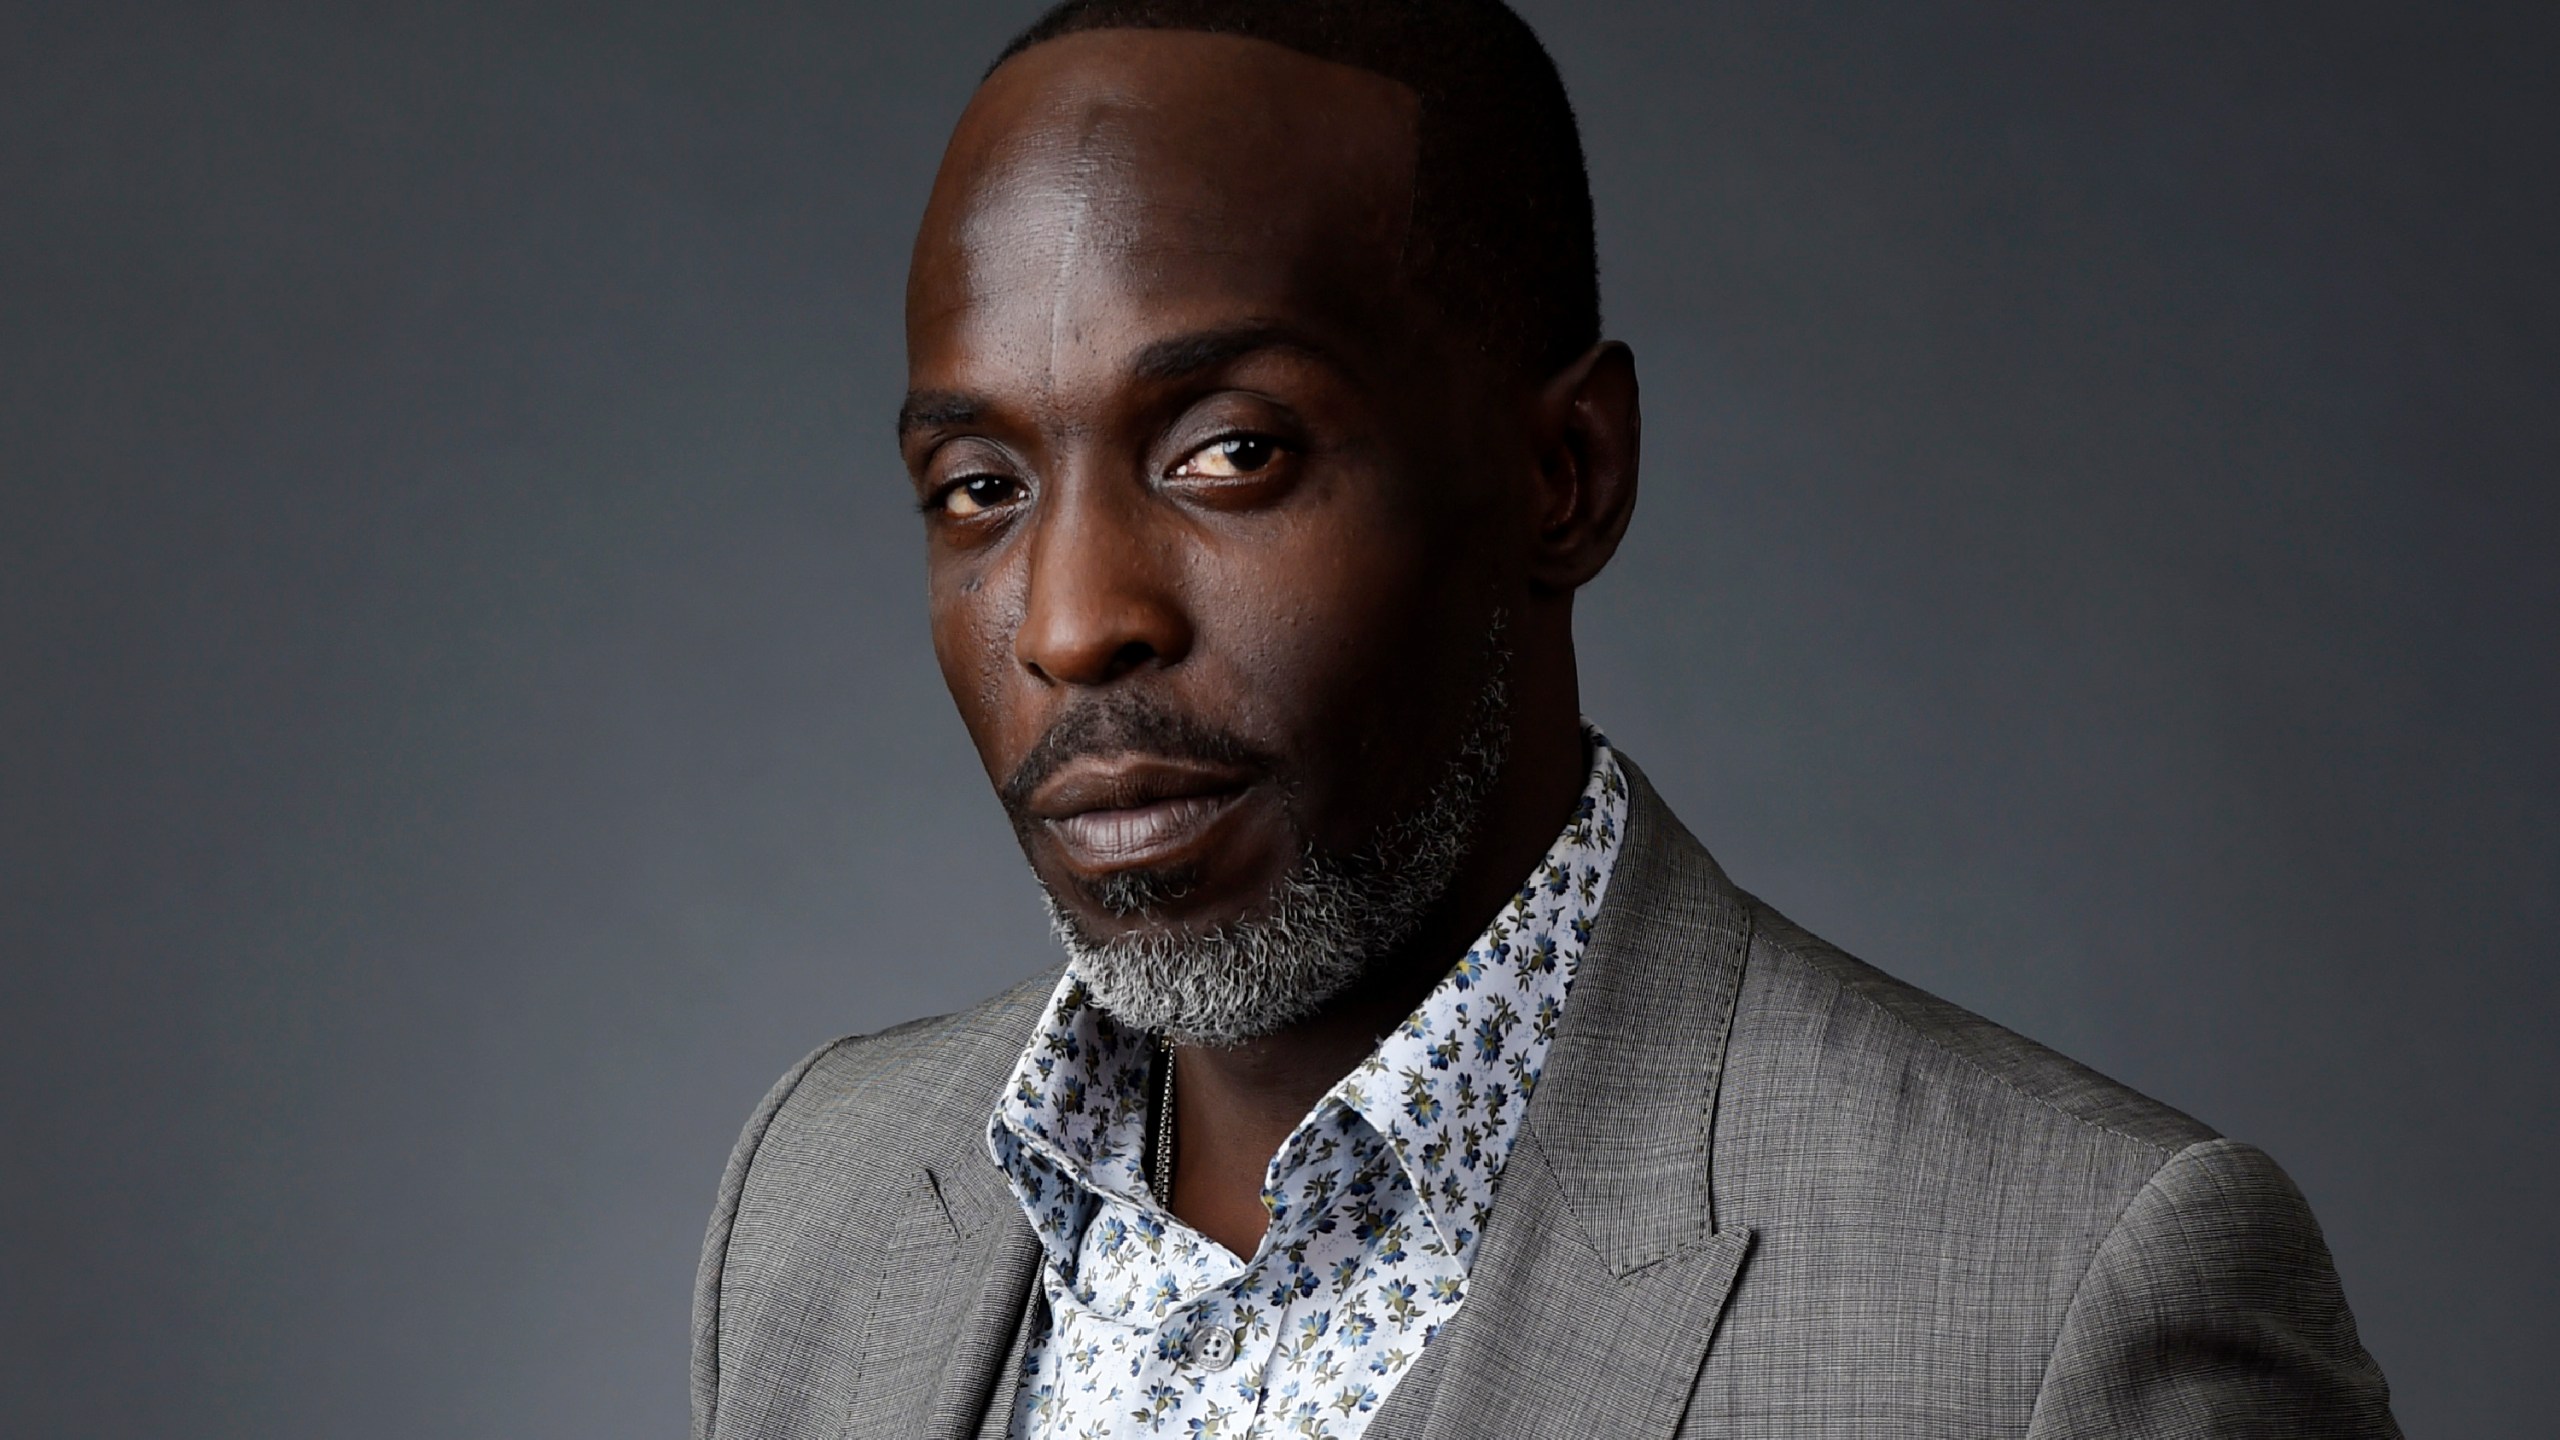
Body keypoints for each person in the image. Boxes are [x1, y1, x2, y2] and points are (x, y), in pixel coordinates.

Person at [691, 2, 2399, 1435]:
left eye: (1230, 451)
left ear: (1564, 478)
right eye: (978, 485)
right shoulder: (816, 1204)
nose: (1070, 622)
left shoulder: (2067, 1308)